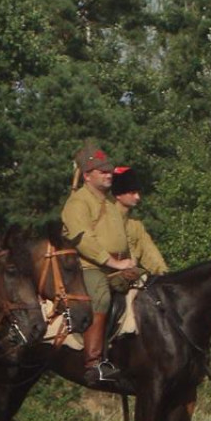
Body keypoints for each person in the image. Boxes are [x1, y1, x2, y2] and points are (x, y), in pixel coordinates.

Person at [61, 140, 137, 386]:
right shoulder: (78, 203)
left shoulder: (110, 205)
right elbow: (83, 239)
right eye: (102, 171)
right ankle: (94, 364)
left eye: (109, 170)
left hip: (116, 265)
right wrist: (111, 263)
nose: (108, 174)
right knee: (101, 296)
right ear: (86, 176)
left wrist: (129, 261)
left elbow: (122, 237)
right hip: (87, 267)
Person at [112, 166, 168, 276]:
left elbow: (150, 252)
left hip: (131, 277)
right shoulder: (104, 221)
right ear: (118, 194)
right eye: (132, 192)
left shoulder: (136, 226)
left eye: (137, 192)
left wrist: (164, 274)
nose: (138, 197)